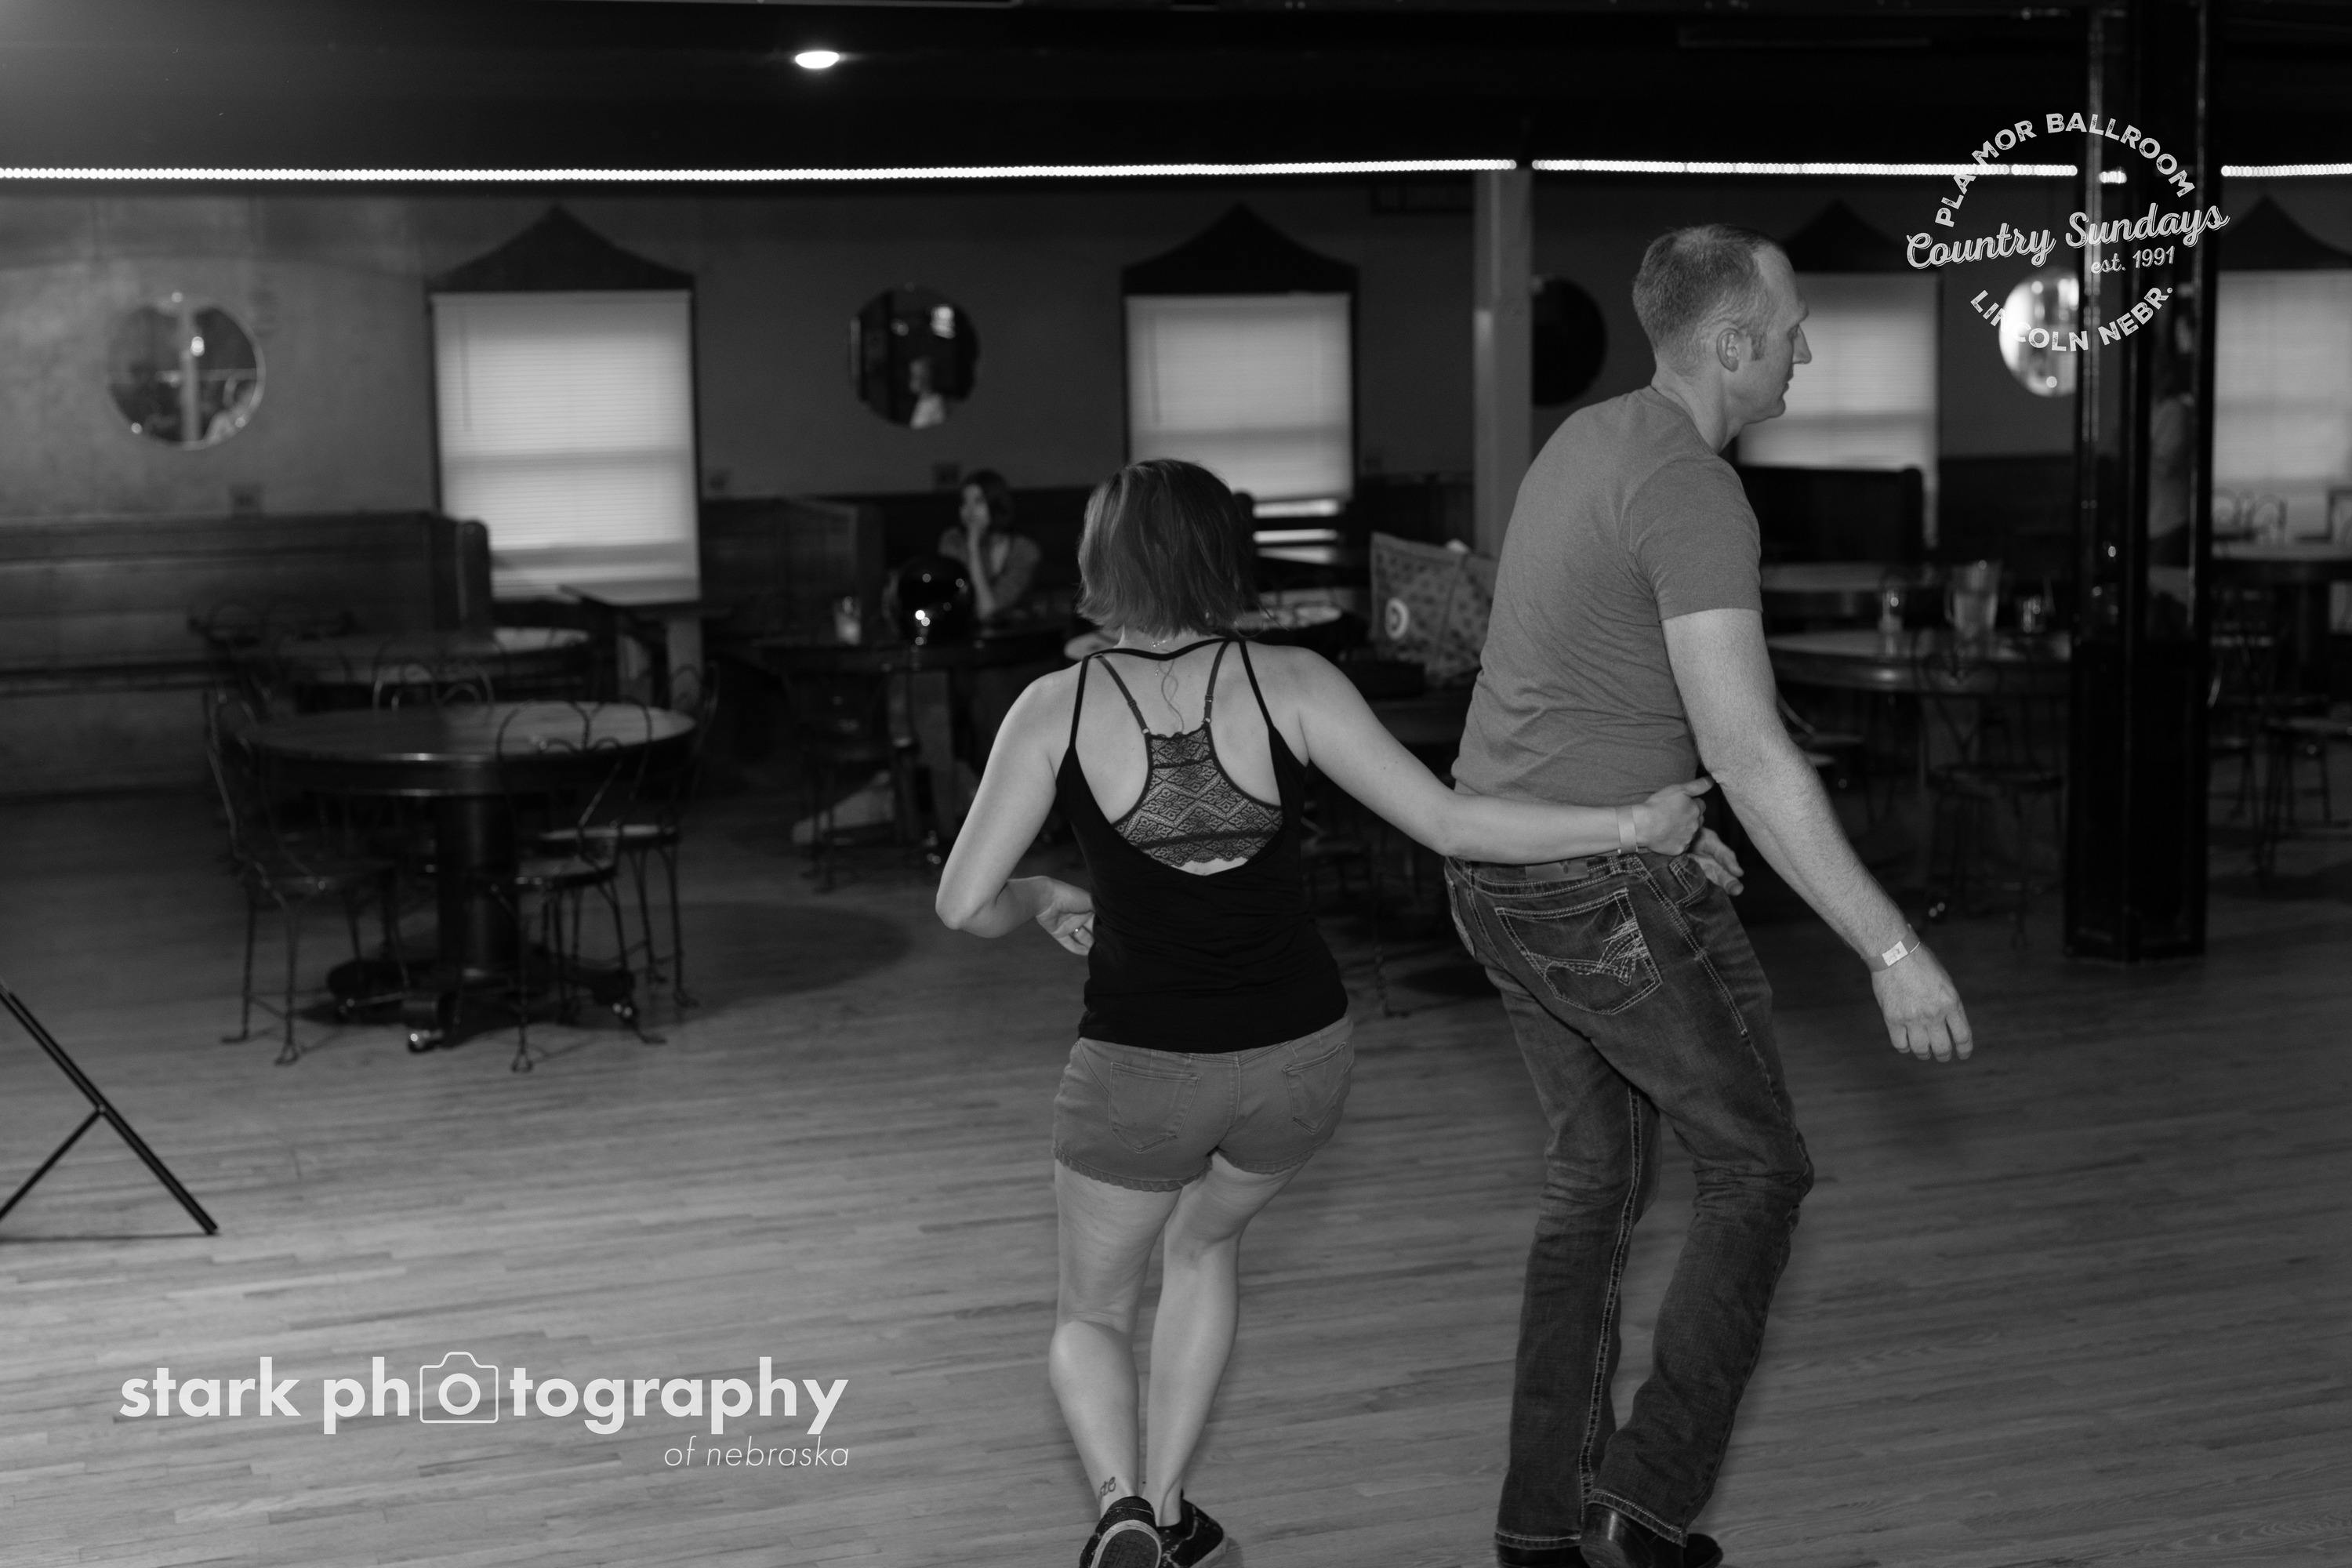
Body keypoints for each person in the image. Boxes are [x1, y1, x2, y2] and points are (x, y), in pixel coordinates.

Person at [935, 458, 1737, 1568]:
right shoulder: (1294, 683)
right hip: (1298, 1064)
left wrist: (1039, 896)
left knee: (1093, 1311)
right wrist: (1633, 826)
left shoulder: (1051, 708)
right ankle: (1170, 1512)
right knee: (1205, 1245)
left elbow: (962, 903)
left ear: (1099, 563)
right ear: (1222, 558)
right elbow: (1452, 824)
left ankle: (1122, 1509)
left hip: (1138, 1072)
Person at [1444, 224, 1976, 1568]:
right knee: (1758, 1168)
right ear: (1732, 344)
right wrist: (1892, 949)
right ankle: (1643, 1503)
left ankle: (1541, 1521)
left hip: (1503, 871)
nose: (1808, 350)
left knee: (1593, 1185)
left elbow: (1567, 682)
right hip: (1589, 889)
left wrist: (1658, 822)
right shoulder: (1691, 488)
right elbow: (1749, 753)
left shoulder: (1587, 439)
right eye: (1792, 330)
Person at [939, 468, 1044, 625]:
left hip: (1016, 633)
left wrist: (973, 547)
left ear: (997, 504)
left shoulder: (1025, 550)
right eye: (964, 502)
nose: (969, 510)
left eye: (978, 501)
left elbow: (988, 611)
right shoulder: (953, 541)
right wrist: (972, 546)